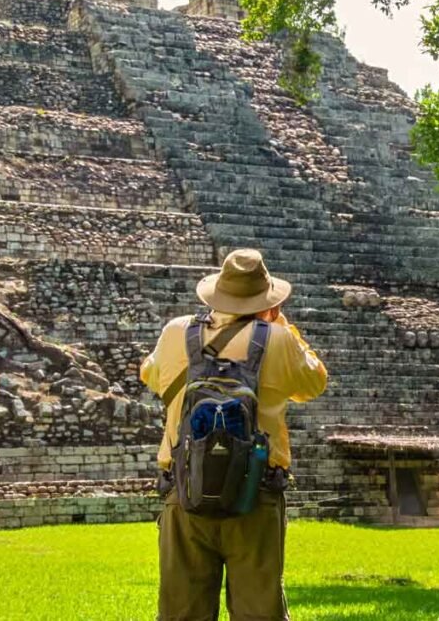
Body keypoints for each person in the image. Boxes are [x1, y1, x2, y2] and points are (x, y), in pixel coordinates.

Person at [140, 248, 328, 621]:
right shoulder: (279, 339)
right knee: (260, 614)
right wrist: (283, 326)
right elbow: (315, 382)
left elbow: (150, 376)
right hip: (254, 497)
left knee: (181, 614)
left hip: (186, 495)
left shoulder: (177, 331)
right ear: (267, 301)